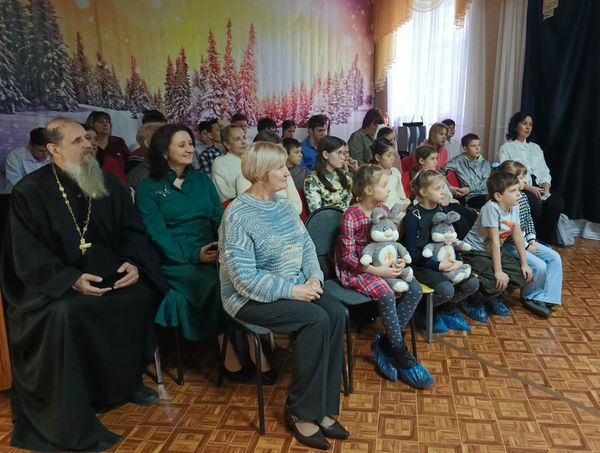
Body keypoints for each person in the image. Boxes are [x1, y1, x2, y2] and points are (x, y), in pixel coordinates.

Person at [1, 118, 167, 451]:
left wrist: (133, 263)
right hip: (54, 285)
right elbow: (27, 254)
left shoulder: (108, 183)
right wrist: (71, 280)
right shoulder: (29, 192)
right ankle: (81, 393)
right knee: (67, 312)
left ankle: (126, 382)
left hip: (110, 273)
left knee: (140, 293)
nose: (89, 144)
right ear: (53, 149)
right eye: (78, 141)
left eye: (88, 138)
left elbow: (133, 231)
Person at [219, 141, 349, 450]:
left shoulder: (284, 206)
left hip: (294, 286)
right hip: (248, 298)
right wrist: (293, 290)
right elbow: (242, 279)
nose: (287, 172)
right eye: (279, 167)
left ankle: (322, 406)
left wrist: (314, 278)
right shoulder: (238, 215)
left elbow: (306, 248)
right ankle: (301, 412)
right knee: (315, 320)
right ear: (261, 173)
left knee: (337, 313)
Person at [135, 124, 254, 381]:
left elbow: (218, 218)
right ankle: (229, 355)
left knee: (244, 274)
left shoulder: (201, 180)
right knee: (214, 282)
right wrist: (193, 255)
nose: (190, 149)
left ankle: (254, 347)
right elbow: (157, 234)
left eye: (190, 143)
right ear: (164, 151)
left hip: (213, 248)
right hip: (176, 259)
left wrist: (225, 245)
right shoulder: (148, 188)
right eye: (182, 145)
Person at [335, 164, 434, 387]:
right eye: (383, 185)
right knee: (387, 293)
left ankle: (386, 344)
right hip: (357, 269)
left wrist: (398, 260)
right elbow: (347, 258)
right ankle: (399, 352)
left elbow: (391, 242)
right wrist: (378, 271)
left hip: (384, 265)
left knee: (415, 289)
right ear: (368, 190)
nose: (388, 189)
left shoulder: (383, 209)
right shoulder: (350, 216)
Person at [402, 170, 479, 333]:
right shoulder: (412, 217)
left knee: (472, 283)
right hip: (422, 265)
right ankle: (423, 310)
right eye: (437, 188)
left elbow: (450, 240)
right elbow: (412, 255)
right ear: (423, 192)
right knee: (446, 290)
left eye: (442, 187)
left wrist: (457, 260)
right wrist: (438, 266)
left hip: (444, 259)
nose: (443, 191)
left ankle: (444, 309)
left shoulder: (442, 211)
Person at [461, 171, 532, 322]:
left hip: (493, 251)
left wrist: (524, 263)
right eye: (513, 191)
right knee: (494, 278)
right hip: (474, 251)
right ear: (499, 196)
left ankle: (492, 296)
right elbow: (494, 240)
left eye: (518, 189)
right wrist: (498, 271)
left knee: (519, 275)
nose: (518, 194)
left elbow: (517, 235)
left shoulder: (514, 205)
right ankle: (473, 301)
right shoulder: (491, 208)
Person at [497, 160, 563, 318]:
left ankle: (547, 297)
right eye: (521, 178)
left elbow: (528, 222)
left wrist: (532, 240)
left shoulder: (524, 198)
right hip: (510, 245)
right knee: (539, 265)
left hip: (525, 242)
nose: (524, 181)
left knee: (554, 257)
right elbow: (509, 233)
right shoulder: (503, 202)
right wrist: (527, 246)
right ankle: (530, 296)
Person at [498, 112, 565, 244]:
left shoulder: (535, 148)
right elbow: (507, 173)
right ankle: (528, 240)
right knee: (534, 206)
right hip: (521, 187)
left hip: (539, 186)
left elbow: (544, 169)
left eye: (530, 124)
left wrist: (546, 185)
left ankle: (546, 241)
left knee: (557, 202)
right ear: (516, 126)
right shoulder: (506, 148)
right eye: (524, 123)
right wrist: (529, 188)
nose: (528, 127)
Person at [406, 146, 477, 239]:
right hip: (439, 205)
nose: (436, 161)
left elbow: (446, 192)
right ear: (421, 161)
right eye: (432, 159)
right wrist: (447, 199)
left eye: (436, 158)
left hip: (447, 202)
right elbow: (419, 197)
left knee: (472, 215)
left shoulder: (437, 174)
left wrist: (448, 197)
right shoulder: (420, 177)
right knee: (461, 222)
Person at [235, 134, 302, 214]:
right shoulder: (243, 179)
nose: (287, 173)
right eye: (275, 151)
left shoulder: (284, 174)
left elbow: (298, 207)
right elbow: (252, 212)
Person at [304, 136, 353, 213]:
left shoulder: (345, 174)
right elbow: (317, 214)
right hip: (329, 219)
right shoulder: (312, 181)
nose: (343, 157)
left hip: (350, 217)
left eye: (343, 153)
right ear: (325, 154)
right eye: (339, 153)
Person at [443, 133, 491, 209]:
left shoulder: (485, 164)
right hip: (471, 198)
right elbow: (440, 174)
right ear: (465, 149)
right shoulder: (457, 161)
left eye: (479, 145)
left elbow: (486, 183)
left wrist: (469, 189)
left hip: (486, 194)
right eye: (473, 146)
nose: (477, 148)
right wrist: (449, 187)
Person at [369, 138, 409, 217]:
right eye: (389, 155)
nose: (393, 158)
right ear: (377, 157)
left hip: (399, 205)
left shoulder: (394, 171)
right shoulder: (371, 173)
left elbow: (401, 195)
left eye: (393, 154)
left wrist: (405, 205)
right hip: (383, 209)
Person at [4, 127, 52, 191]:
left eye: (48, 150)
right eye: (40, 151)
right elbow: (13, 185)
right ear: (30, 145)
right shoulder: (15, 156)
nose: (46, 155)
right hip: (23, 195)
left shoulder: (56, 156)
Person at [85, 111, 129, 176]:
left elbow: (128, 165)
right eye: (101, 122)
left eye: (107, 122)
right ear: (92, 125)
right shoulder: (86, 144)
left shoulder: (119, 142)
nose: (105, 125)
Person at [211, 125, 247, 201]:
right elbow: (225, 196)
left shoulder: (251, 158)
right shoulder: (220, 163)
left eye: (244, 137)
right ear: (227, 144)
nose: (243, 142)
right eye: (237, 139)